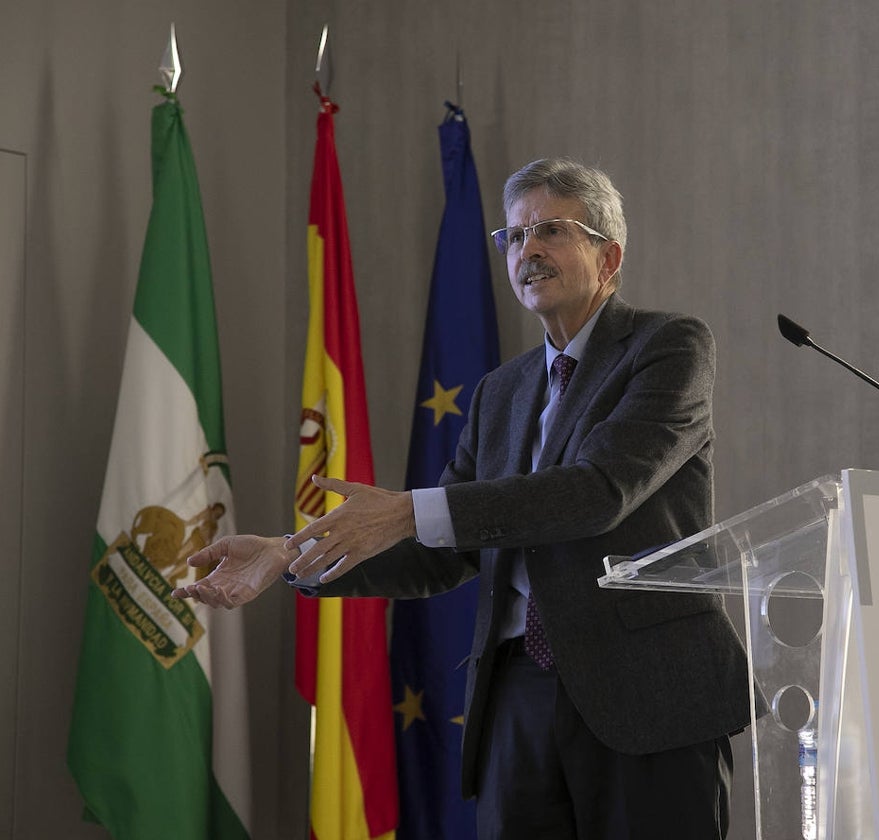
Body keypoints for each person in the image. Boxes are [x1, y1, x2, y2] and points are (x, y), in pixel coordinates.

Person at [173, 158, 752, 839]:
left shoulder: (668, 348)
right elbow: (443, 551)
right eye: (513, 236)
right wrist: (287, 553)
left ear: (609, 255)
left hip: (645, 697)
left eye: (551, 230)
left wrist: (408, 508)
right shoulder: (499, 393)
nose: (526, 249)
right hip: (516, 699)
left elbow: (599, 492)